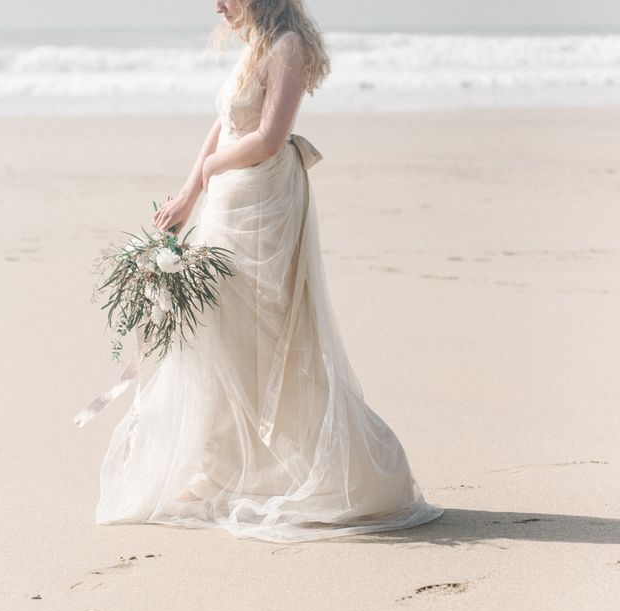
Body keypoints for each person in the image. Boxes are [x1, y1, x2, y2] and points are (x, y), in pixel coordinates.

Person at [80, 0, 444, 543]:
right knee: (220, 334)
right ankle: (216, 468)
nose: (217, 5)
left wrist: (210, 169)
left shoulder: (288, 46)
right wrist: (190, 189)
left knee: (270, 337)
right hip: (227, 201)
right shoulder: (254, 46)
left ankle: (351, 472)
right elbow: (223, 124)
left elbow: (270, 138)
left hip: (263, 208)